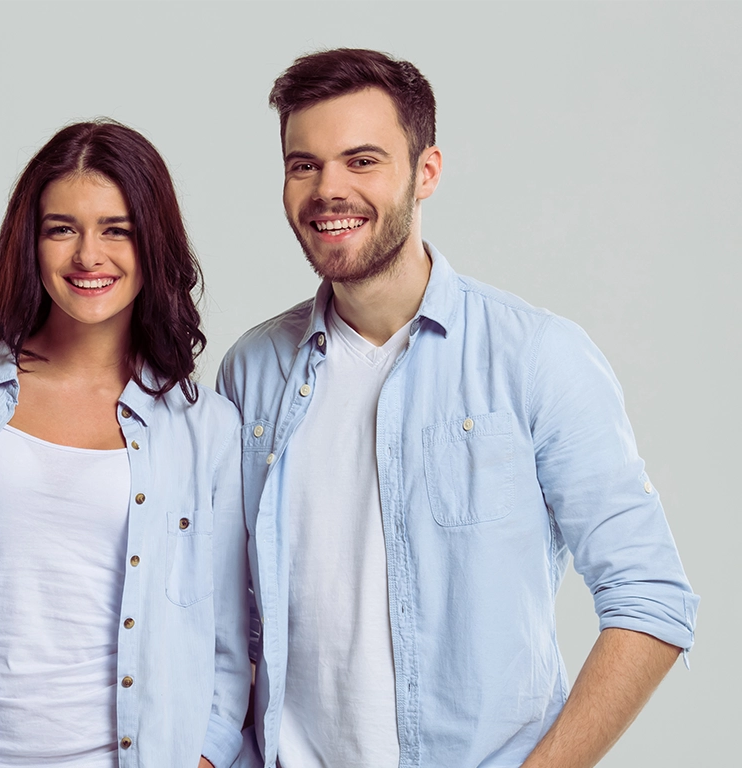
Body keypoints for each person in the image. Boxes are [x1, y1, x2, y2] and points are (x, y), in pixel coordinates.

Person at [217, 49, 698, 768]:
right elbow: (228, 618)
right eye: (304, 165)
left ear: (427, 171)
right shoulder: (251, 373)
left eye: (363, 160)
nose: (328, 191)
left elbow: (650, 597)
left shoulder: (535, 357)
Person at [0, 120, 251, 768]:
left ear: (152, 244)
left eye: (115, 229)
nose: (88, 256)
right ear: (30, 240)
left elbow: (227, 654)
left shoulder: (205, 428)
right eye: (62, 228)